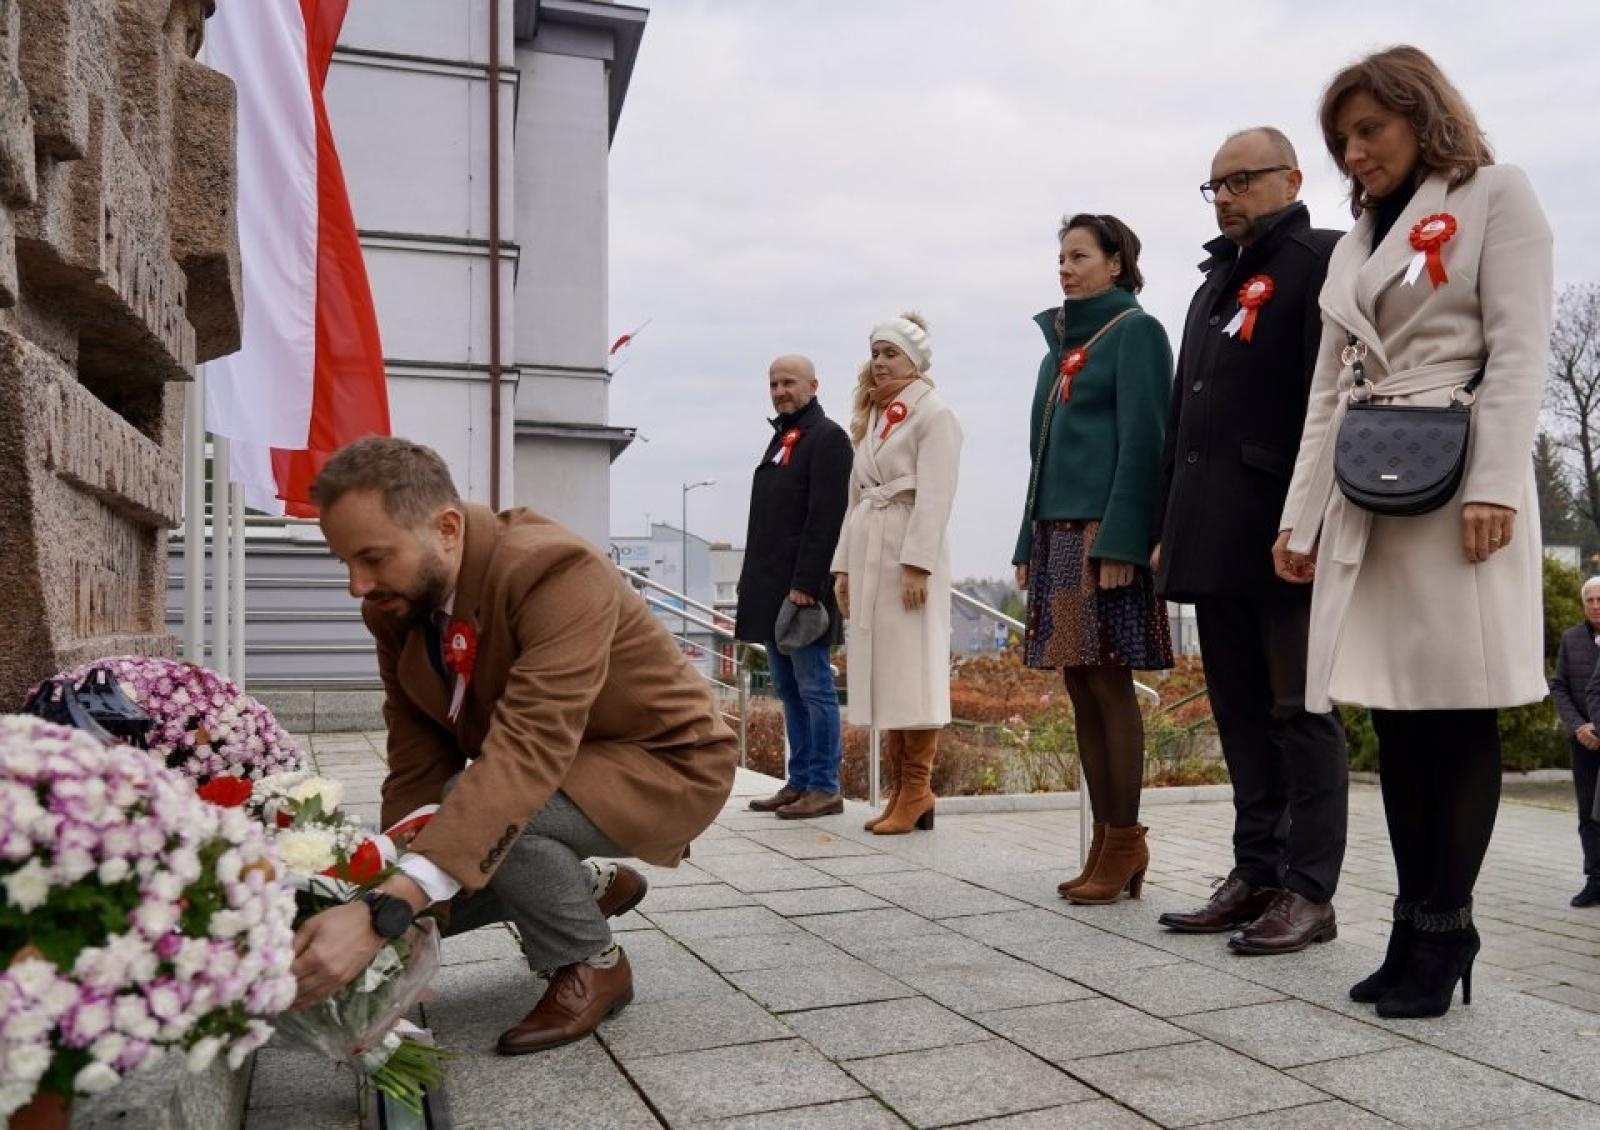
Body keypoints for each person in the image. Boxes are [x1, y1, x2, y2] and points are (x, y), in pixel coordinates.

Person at [289, 437, 738, 1053]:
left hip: (664, 765)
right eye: (344, 562)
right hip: (567, 765)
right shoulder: (393, 606)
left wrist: (385, 912)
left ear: (446, 528)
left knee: (481, 818)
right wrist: (394, 888)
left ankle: (593, 962)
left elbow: (529, 748)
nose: (356, 585)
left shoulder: (553, 569)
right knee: (447, 852)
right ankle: (588, 886)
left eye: (371, 558)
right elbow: (416, 753)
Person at [1275, 45, 1553, 1018]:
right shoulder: (1351, 244)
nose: (1353, 153)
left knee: (1456, 707)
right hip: (1369, 481)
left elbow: (1520, 349)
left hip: (1458, 475)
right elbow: (1325, 391)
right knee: (1393, 716)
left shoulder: (1494, 194)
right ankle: (1412, 924)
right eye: (1341, 139)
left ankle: (1445, 924)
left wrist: (1496, 485)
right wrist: (1298, 514)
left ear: (1419, 115)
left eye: (1369, 131)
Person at [1152, 129, 1349, 954]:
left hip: (1285, 530)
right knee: (1238, 713)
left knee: (1300, 712)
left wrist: (1310, 519)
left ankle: (1310, 891)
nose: (1226, 196)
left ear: (1291, 179)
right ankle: (1255, 873)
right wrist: (1167, 524)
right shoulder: (1210, 284)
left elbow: (1334, 399)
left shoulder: (1322, 261)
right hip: (1213, 531)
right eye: (1215, 185)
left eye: (1241, 180)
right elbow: (1182, 418)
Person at [1014, 214, 1174, 904]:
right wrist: (1027, 541)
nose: (1065, 267)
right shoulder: (1057, 349)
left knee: (1110, 685)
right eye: (1061, 256)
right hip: (1056, 535)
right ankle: (1106, 840)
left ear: (1116, 263)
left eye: (1078, 255)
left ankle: (1127, 838)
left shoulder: (1137, 332)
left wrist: (1123, 540)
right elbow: (1040, 455)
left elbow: (1147, 439)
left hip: (1103, 534)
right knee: (1079, 686)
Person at [831, 314, 963, 834]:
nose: (880, 362)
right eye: (875, 353)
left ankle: (917, 787)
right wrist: (842, 569)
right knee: (884, 668)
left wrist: (917, 564)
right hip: (870, 551)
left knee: (914, 668)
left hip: (907, 550)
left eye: (891, 353)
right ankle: (901, 791)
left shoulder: (934, 415)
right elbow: (855, 498)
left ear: (915, 361)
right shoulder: (875, 419)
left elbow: (936, 494)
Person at [735, 354, 854, 819]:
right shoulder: (783, 438)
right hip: (771, 591)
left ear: (813, 385)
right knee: (787, 689)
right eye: (773, 383)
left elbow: (827, 517)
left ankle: (825, 785)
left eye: (788, 382)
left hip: (801, 593)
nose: (780, 390)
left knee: (814, 687)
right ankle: (800, 780)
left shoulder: (828, 439)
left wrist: (808, 581)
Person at [1555, 578, 1600, 906]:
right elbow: (1559, 686)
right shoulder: (1571, 639)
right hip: (1584, 741)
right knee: (1588, 814)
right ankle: (1595, 878)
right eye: (1590, 600)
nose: (1596, 605)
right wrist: (1579, 727)